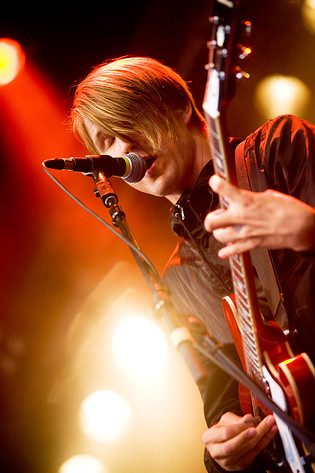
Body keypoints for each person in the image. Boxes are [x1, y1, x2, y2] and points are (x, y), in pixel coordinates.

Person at [70, 56, 315, 472]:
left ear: (180, 107)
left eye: (130, 121)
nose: (123, 147)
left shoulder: (278, 149)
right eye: (106, 141)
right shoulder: (179, 280)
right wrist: (223, 453)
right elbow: (223, 400)